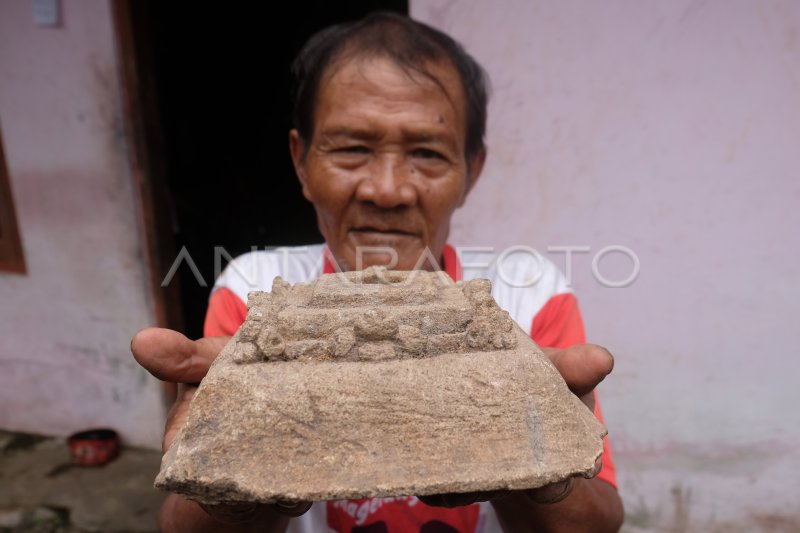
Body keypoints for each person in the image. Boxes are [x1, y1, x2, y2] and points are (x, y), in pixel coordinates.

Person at [131, 12, 624, 533]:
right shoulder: (253, 292)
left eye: (427, 154)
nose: (387, 190)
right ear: (301, 162)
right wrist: (236, 484)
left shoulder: (529, 291)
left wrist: (542, 467)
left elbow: (599, 520)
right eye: (352, 149)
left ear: (470, 171)